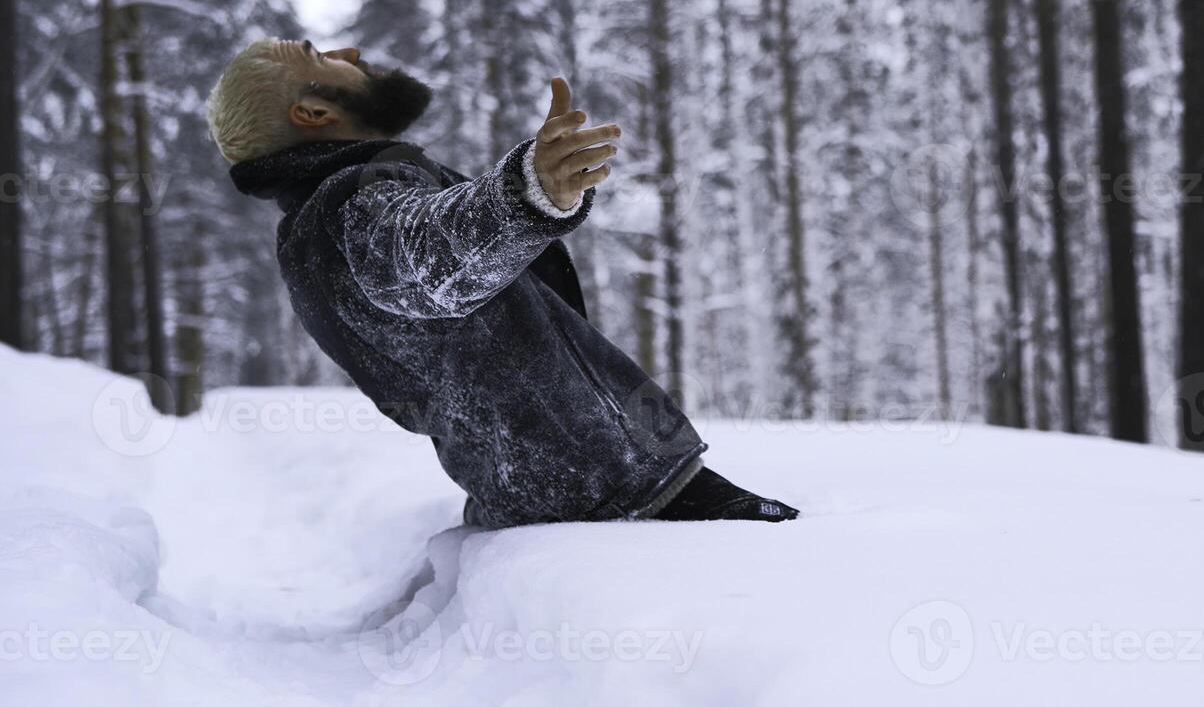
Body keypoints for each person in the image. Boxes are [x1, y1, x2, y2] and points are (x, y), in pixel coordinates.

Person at [209, 38, 797, 526]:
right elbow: (424, 262)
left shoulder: (317, 225)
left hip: (579, 491)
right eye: (318, 56)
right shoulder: (346, 206)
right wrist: (524, 194)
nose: (350, 50)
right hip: (611, 499)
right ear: (313, 113)